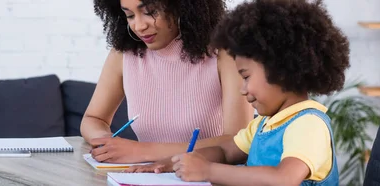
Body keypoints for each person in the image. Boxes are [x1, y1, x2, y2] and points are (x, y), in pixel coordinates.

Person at [126, 0, 351, 185]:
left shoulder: (308, 124)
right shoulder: (264, 124)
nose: (243, 90)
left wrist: (208, 171)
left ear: (281, 70)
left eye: (245, 77)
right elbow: (226, 152)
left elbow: (284, 179)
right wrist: (175, 162)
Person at [81, 0, 254, 164]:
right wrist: (107, 143)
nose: (139, 26)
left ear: (181, 5)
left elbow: (237, 142)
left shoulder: (225, 54)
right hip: (146, 176)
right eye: (130, 15)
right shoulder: (124, 55)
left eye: (150, 12)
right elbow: (93, 119)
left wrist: (141, 151)